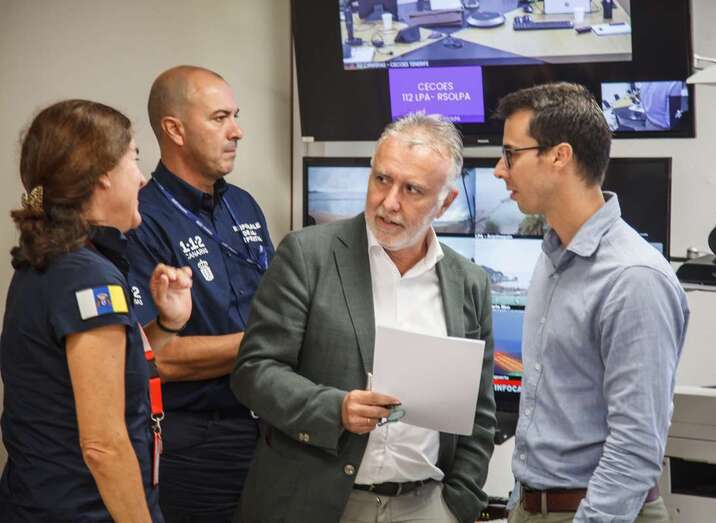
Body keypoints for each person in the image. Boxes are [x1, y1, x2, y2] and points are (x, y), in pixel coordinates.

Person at [231, 113, 496, 523]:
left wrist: (455, 504)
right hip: (316, 503)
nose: (389, 202)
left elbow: (478, 414)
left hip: (425, 506)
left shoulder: (469, 283)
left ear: (445, 202)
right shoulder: (307, 255)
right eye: (382, 180)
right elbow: (254, 371)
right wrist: (334, 409)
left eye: (412, 190)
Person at [493, 82, 689, 523]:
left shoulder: (634, 278)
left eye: (510, 154)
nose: (499, 171)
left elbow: (635, 446)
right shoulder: (552, 256)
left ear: (559, 156)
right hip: (533, 508)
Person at [0, 99, 192, 522]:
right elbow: (103, 444)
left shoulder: (52, 259)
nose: (142, 179)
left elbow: (102, 374)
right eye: (134, 160)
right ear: (103, 175)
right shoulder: (85, 275)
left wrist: (165, 324)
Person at [125, 65, 274, 522]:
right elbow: (158, 358)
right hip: (194, 446)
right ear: (175, 130)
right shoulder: (140, 218)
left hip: (268, 432)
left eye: (236, 116)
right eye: (220, 118)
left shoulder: (243, 204)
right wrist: (276, 343)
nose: (237, 131)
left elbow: (275, 309)